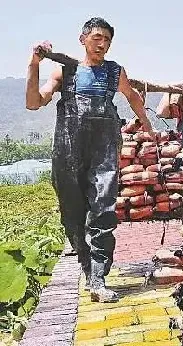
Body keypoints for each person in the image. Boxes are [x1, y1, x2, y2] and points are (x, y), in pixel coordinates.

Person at [25, 17, 153, 303]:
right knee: (72, 212)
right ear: (82, 39)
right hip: (68, 151)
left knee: (103, 210)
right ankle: (86, 267)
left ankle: (98, 277)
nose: (102, 44)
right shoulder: (65, 72)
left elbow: (132, 97)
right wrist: (34, 64)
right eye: (97, 37)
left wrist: (148, 126)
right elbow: (34, 102)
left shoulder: (114, 71)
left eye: (107, 39)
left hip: (104, 149)